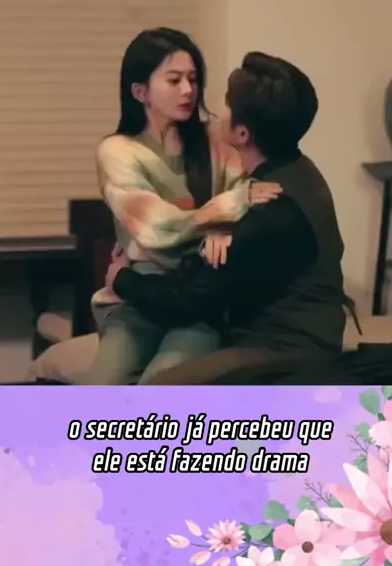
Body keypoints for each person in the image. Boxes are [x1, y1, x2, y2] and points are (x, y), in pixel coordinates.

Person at [109, 52, 359, 385]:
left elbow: (186, 299)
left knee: (163, 388)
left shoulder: (273, 212)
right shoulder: (297, 169)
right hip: (298, 338)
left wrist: (121, 278)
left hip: (285, 351)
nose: (212, 108)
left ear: (242, 134)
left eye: (226, 104)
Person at [82, 29, 281, 384]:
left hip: (201, 297)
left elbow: (250, 194)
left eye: (193, 79)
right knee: (99, 392)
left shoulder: (215, 138)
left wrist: (226, 227)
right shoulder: (118, 151)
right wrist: (220, 216)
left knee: (162, 385)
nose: (188, 90)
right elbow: (155, 226)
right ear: (140, 92)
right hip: (138, 297)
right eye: (174, 80)